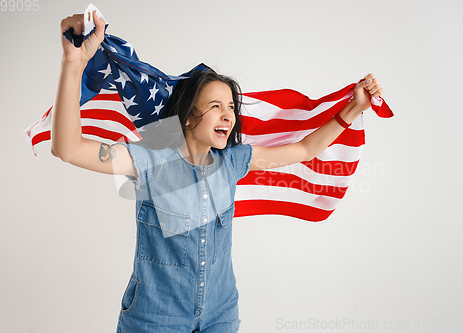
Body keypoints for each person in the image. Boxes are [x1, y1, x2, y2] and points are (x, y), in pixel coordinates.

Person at [51, 10, 384, 333]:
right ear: (187, 115)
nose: (227, 115)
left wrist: (354, 107)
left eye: (230, 108)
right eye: (215, 107)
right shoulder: (148, 162)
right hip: (156, 319)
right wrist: (73, 64)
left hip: (220, 315)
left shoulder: (234, 162)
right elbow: (67, 148)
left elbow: (305, 150)